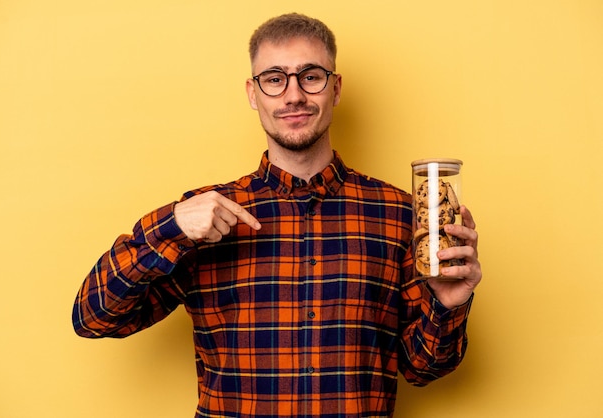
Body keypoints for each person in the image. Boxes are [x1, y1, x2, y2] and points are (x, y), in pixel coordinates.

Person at [73, 13, 482, 417]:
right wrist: (171, 227)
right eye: (274, 79)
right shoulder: (204, 217)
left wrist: (447, 305)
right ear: (253, 93)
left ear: (335, 88)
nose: (293, 96)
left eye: (311, 76)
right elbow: (94, 317)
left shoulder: (398, 215)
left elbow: (424, 369)